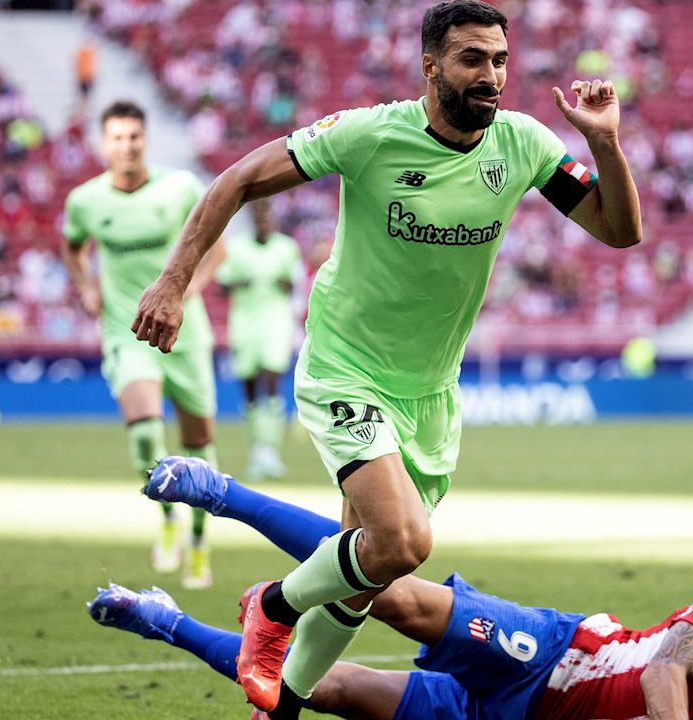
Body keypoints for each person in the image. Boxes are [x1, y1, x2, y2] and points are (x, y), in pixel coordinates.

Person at [130, 1, 643, 714]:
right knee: (402, 544)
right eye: (471, 59)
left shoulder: (522, 144)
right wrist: (174, 280)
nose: (491, 75)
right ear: (430, 66)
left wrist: (606, 144)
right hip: (347, 368)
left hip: (431, 393)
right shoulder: (370, 133)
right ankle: (272, 606)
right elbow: (240, 179)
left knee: (363, 577)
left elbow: (620, 231)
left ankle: (278, 703)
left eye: (499, 59)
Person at [89, 456, 693, 720]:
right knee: (391, 588)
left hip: (510, 718)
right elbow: (662, 675)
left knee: (311, 689)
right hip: (550, 652)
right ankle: (217, 491)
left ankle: (162, 622)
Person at [61, 100, 226, 589]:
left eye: (134, 136)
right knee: (144, 428)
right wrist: (87, 286)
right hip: (124, 328)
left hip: (183, 330)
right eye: (117, 137)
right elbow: (72, 246)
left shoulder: (178, 188)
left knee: (199, 444)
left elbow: (216, 243)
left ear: (144, 140)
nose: (126, 146)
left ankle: (198, 540)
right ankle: (168, 518)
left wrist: (193, 287)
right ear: (102, 143)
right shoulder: (85, 201)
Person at [218, 199, 303, 482]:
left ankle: (271, 450)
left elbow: (293, 285)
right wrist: (242, 282)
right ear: (253, 220)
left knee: (271, 382)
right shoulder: (236, 248)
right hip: (244, 324)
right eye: (259, 218)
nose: (264, 223)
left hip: (274, 323)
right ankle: (257, 450)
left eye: (267, 218)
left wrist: (280, 282)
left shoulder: (287, 248)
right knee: (251, 388)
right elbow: (222, 285)